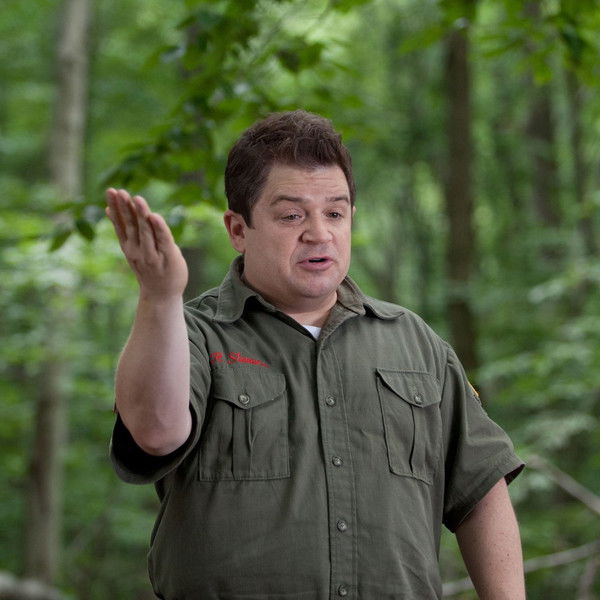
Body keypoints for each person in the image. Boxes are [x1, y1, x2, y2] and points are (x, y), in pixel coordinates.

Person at [107, 110, 525, 599]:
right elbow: (155, 432)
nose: (319, 233)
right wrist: (159, 297)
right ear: (238, 229)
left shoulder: (416, 343)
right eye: (292, 215)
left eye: (335, 213)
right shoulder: (192, 335)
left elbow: (481, 491)